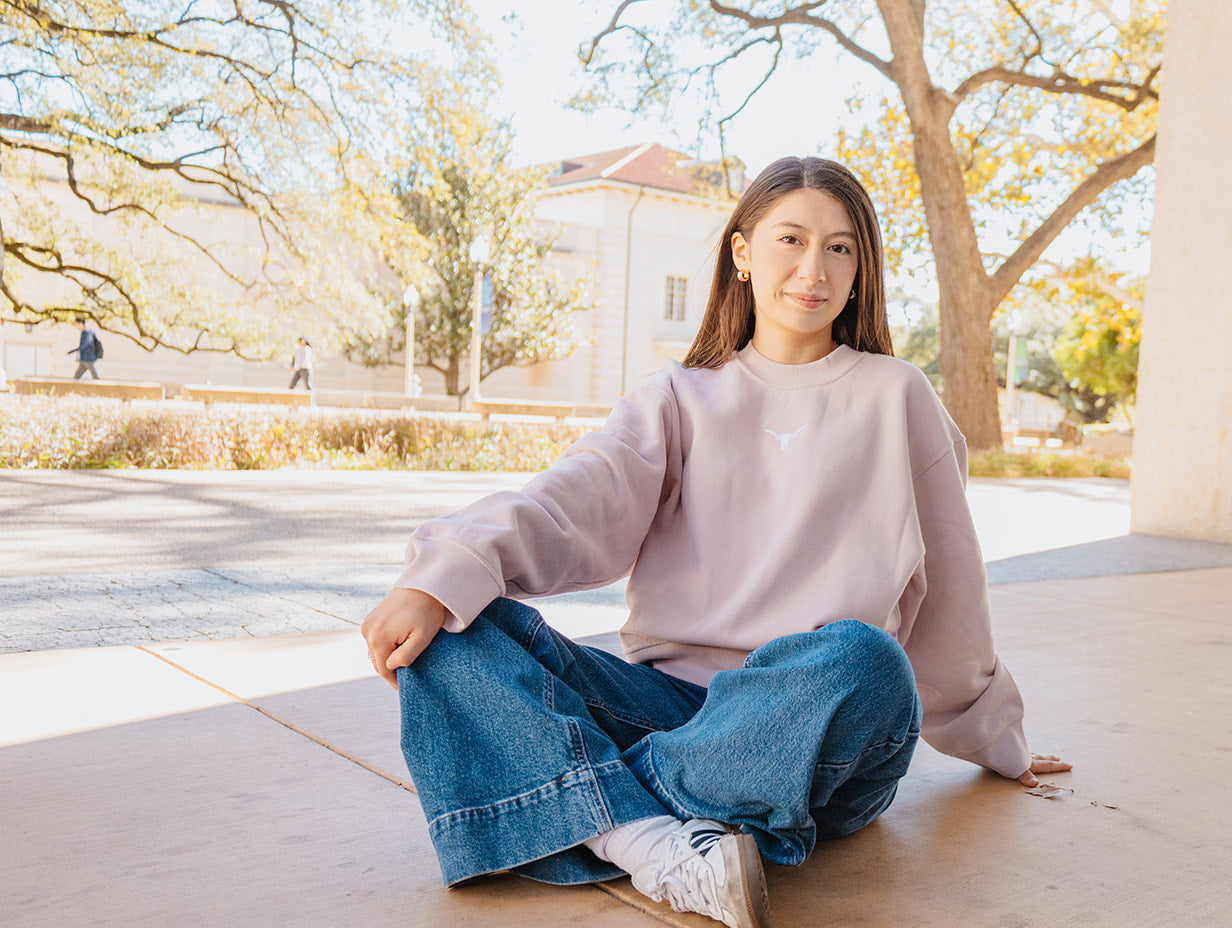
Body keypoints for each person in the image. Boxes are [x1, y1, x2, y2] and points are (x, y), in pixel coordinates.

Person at [362, 156, 1070, 928]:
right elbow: (572, 496)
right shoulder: (679, 397)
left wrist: (997, 737)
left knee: (867, 660)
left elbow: (954, 592)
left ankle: (577, 800)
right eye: (790, 239)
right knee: (457, 623)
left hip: (814, 730)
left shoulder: (898, 395)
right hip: (668, 710)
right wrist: (442, 575)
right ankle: (650, 842)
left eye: (840, 247)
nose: (813, 268)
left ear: (862, 267)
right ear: (741, 252)